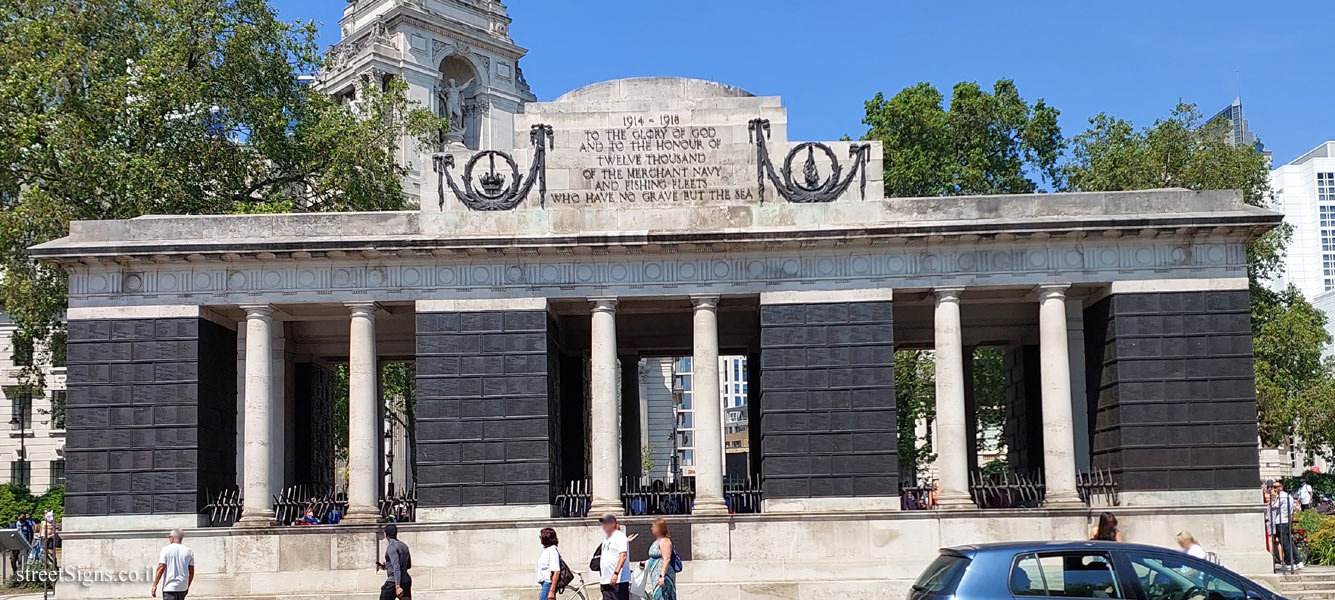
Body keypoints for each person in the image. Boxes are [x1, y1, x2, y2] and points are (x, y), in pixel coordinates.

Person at [1266, 480, 1301, 570]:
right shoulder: (1288, 496)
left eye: (1275, 487)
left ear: (1280, 487)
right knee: (1289, 542)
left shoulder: (1281, 497)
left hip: (1280, 521)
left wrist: (1273, 498)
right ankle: (1298, 560)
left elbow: (1273, 506)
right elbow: (1291, 510)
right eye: (1273, 487)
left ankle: (1289, 562)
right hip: (1286, 520)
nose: (1273, 489)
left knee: (1284, 542)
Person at [150, 528, 194, 600]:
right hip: (182, 587)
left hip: (169, 587)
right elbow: (191, 571)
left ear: (172, 538)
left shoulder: (166, 550)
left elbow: (161, 567)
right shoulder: (189, 551)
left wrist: (155, 585)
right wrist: (187, 586)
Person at [597, 513, 631, 600]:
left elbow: (623, 556)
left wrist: (616, 573)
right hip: (606, 579)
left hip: (619, 580)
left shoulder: (620, 536)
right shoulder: (606, 539)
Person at [642, 519, 676, 600]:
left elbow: (667, 558)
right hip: (655, 574)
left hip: (663, 574)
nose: (651, 528)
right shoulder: (657, 541)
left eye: (653, 527)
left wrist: (662, 575)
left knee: (663, 596)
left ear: (659, 528)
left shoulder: (665, 541)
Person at [377, 524, 412, 599]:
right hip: (406, 580)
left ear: (386, 534)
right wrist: (387, 566)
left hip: (393, 582)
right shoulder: (404, 546)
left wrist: (397, 585)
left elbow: (396, 566)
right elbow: (408, 565)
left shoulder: (392, 547)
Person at [536, 528, 562, 600]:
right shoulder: (547, 550)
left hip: (548, 583)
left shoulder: (552, 550)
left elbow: (556, 571)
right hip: (545, 583)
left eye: (541, 536)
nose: (540, 538)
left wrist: (552, 590)